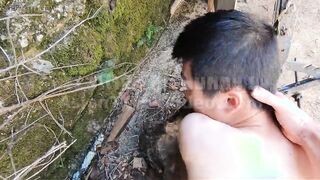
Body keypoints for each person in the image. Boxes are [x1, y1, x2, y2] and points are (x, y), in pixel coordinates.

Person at [172, 10, 320, 179]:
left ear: (230, 101)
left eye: (190, 87)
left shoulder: (201, 132)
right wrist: (305, 129)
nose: (186, 94)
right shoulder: (309, 150)